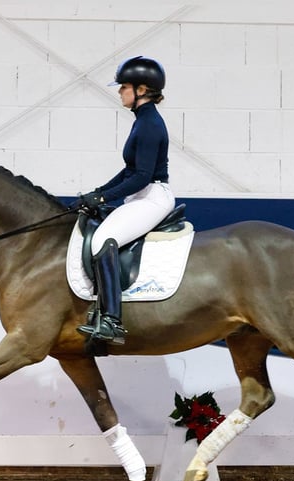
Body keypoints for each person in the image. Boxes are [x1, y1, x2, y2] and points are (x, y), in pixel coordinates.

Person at [74, 56, 175, 345]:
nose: (119, 92)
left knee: (102, 240)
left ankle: (111, 320)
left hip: (152, 196)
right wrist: (97, 192)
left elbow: (142, 176)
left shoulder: (149, 125)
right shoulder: (142, 121)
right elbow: (129, 171)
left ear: (141, 90)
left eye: (124, 87)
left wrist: (104, 196)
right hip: (141, 194)